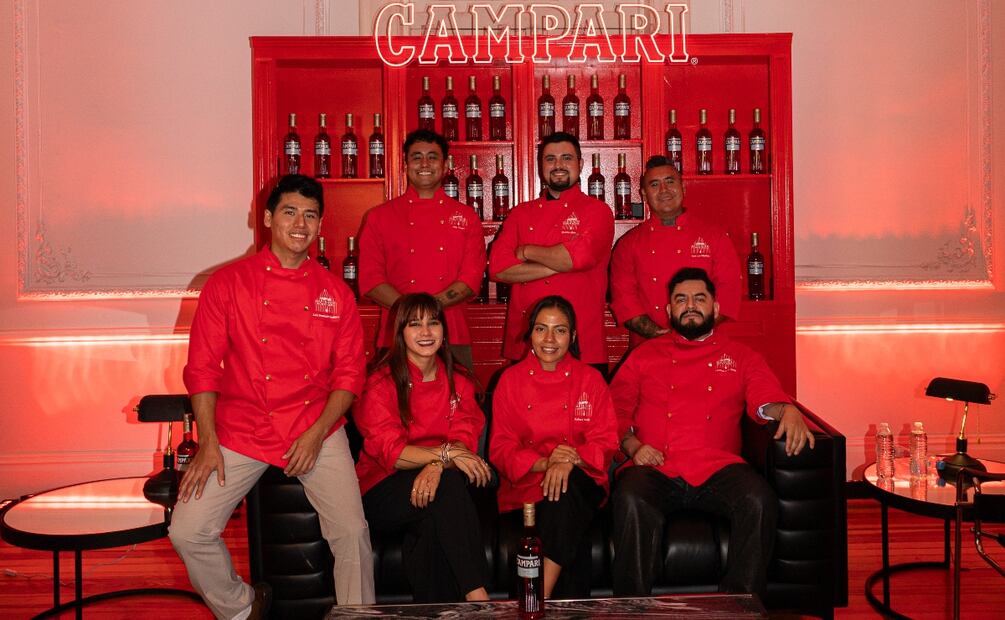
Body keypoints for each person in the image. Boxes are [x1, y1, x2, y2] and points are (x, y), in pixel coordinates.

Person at [171, 174, 374, 618]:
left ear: (320, 224)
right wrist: (208, 442)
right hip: (242, 428)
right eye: (290, 212)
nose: (300, 224)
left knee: (352, 534)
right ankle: (242, 608)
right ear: (266, 219)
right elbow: (203, 369)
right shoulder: (227, 284)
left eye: (310, 215)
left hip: (315, 424)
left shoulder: (336, 293)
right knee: (188, 530)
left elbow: (349, 375)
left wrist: (317, 433)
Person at [609, 267, 814, 598]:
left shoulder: (741, 356)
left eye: (699, 298)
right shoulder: (643, 356)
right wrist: (633, 446)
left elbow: (765, 397)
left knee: (758, 499)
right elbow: (614, 412)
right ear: (669, 310)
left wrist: (786, 410)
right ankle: (633, 608)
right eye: (681, 299)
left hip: (719, 468)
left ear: (715, 308)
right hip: (655, 466)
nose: (690, 305)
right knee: (631, 497)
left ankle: (740, 608)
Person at [354, 293, 493, 603]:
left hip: (439, 482)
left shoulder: (459, 380)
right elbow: (392, 453)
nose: (426, 332)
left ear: (444, 330)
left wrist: (436, 465)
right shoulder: (379, 383)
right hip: (382, 487)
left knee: (433, 518)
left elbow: (464, 441)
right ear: (400, 332)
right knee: (448, 489)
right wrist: (444, 455)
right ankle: (479, 598)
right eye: (415, 324)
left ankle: (436, 611)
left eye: (434, 323)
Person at [489, 295, 619, 598]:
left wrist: (570, 460)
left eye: (559, 330)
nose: (549, 339)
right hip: (528, 485)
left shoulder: (591, 379)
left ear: (572, 336)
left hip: (583, 481)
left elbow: (607, 441)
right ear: (530, 334)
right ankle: (555, 606)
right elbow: (501, 448)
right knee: (571, 523)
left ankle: (536, 596)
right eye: (541, 329)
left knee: (566, 487)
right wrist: (549, 463)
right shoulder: (510, 380)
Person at [359, 129, 486, 370]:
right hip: (396, 333)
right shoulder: (379, 217)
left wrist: (422, 313)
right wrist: (415, 315)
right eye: (416, 157)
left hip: (452, 332)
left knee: (458, 393)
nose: (424, 164)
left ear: (445, 165)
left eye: (432, 157)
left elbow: (470, 281)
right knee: (390, 394)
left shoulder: (466, 217)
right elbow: (371, 281)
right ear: (405, 165)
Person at [489, 132, 614, 372]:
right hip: (527, 340)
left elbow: (579, 257)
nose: (558, 165)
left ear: (580, 164)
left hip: (583, 341)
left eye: (566, 158)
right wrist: (563, 264)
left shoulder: (598, 211)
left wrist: (526, 251)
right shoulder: (520, 213)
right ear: (541, 166)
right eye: (550, 159)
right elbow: (498, 269)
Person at [610, 156, 741, 349]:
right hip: (649, 348)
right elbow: (624, 301)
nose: (664, 190)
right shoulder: (627, 244)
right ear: (644, 194)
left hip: (705, 347)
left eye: (670, 181)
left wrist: (693, 334)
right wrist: (658, 335)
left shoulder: (715, 237)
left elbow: (729, 294)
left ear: (683, 188)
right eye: (654, 184)